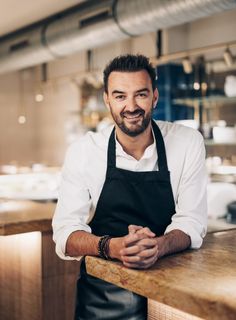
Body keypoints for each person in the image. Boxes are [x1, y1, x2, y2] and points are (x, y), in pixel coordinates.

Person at [52, 54, 207, 320]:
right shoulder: (84, 151)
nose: (131, 106)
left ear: (155, 97)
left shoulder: (188, 142)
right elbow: (65, 234)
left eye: (141, 95)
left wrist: (159, 245)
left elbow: (192, 221)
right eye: (120, 96)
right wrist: (113, 247)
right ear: (107, 100)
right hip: (103, 297)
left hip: (170, 293)